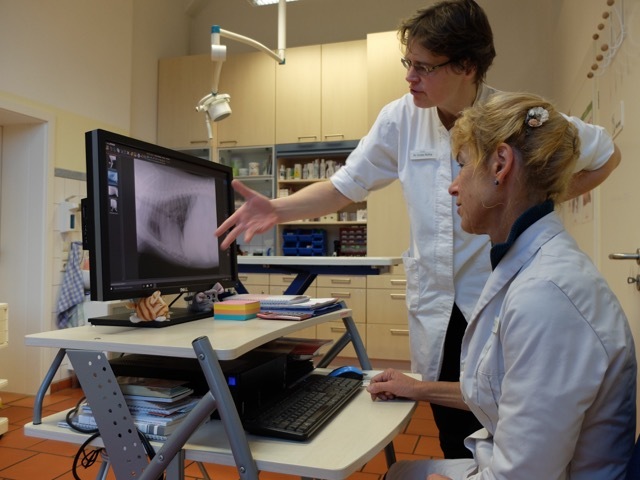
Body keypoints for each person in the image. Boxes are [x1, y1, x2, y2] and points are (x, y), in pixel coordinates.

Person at [215, 0, 621, 458]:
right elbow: (345, 185)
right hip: (436, 304)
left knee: (509, 419)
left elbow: (606, 155)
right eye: (407, 63)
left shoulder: (513, 121)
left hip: (495, 292)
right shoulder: (400, 118)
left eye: (424, 67)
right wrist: (277, 209)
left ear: (467, 66)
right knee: (453, 429)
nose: (410, 77)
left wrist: (531, 198)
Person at [368, 91, 637, 479]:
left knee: (397, 475)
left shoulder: (546, 296)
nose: (453, 187)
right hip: (515, 462)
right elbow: (503, 393)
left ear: (500, 165)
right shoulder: (526, 264)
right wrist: (419, 388)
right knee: (400, 473)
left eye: (462, 166)